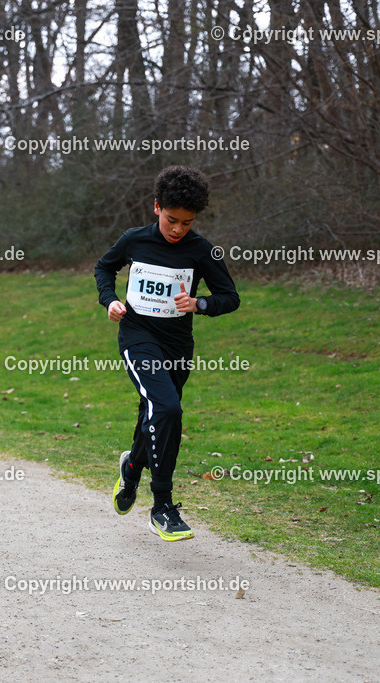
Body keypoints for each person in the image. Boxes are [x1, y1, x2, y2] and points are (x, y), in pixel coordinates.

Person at [95, 166, 240, 541]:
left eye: (187, 223)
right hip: (138, 337)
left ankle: (132, 468)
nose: (177, 230)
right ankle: (162, 505)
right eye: (171, 220)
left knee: (156, 411)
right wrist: (110, 300)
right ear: (156, 207)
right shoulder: (134, 240)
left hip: (177, 346)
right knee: (169, 409)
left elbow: (230, 297)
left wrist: (200, 303)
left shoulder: (202, 250)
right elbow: (105, 267)